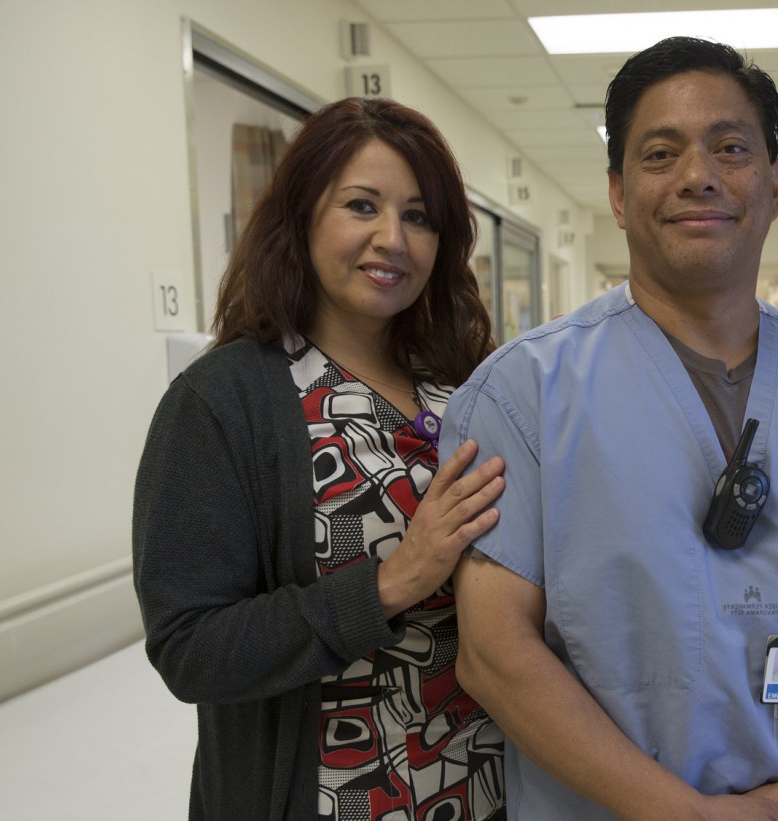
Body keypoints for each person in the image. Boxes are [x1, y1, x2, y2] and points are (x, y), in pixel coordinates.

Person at [445, 37, 778, 821]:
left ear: (775, 184)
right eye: (661, 153)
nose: (698, 175)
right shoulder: (522, 394)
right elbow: (493, 651)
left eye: (730, 148)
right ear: (618, 194)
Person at [133, 97, 509, 821]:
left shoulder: (465, 383)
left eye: (419, 216)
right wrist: (390, 583)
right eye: (362, 206)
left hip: (483, 787)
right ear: (302, 216)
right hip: (339, 796)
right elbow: (189, 647)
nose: (392, 239)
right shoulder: (223, 401)